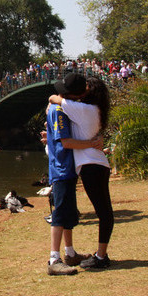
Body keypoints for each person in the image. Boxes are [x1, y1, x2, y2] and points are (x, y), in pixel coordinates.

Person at [48, 76, 114, 269]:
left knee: (104, 211)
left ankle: (101, 257)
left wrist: (53, 99)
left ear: (87, 93)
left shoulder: (82, 109)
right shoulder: (94, 110)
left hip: (91, 165)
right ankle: (98, 255)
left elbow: (55, 100)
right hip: (97, 163)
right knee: (104, 210)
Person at [44, 72, 96, 276]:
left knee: (68, 214)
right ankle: (54, 258)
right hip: (62, 168)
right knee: (59, 214)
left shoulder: (62, 107)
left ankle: (70, 252)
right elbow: (66, 142)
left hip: (67, 168)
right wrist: (92, 144)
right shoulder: (59, 111)